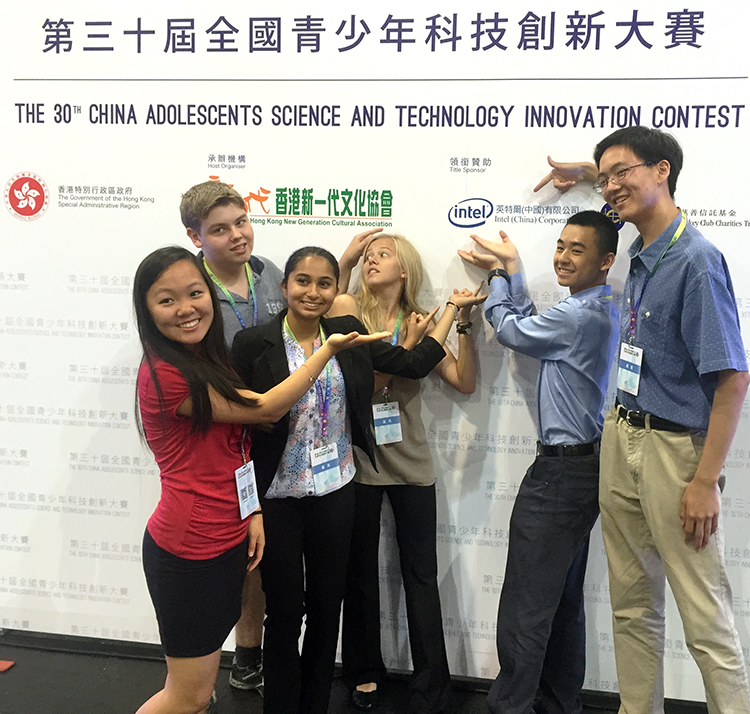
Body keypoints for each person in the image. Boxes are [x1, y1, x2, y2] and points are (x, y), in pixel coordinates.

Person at [536, 126, 750, 714]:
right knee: (632, 606)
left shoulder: (696, 260)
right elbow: (617, 185)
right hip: (621, 434)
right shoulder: (639, 248)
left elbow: (733, 379)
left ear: (662, 171)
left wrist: (704, 482)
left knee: (705, 616)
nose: (610, 186)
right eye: (604, 178)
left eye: (621, 172)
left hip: (676, 453)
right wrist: (591, 173)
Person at [231, 246, 485, 714]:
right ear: (284, 286)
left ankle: (314, 705)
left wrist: (451, 310)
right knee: (285, 612)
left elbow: (409, 365)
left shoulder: (346, 333)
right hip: (279, 496)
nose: (313, 292)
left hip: (337, 490)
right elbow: (238, 432)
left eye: (325, 283)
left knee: (328, 609)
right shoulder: (253, 344)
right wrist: (249, 506)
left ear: (335, 290)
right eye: (302, 281)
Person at [133, 246, 386, 714]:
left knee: (198, 690)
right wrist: (326, 351)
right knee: (191, 690)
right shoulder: (178, 371)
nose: (187, 308)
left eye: (194, 294)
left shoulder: (204, 360)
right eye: (167, 300)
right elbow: (265, 409)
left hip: (257, 517)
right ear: (284, 284)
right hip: (201, 538)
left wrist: (248, 510)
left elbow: (236, 444)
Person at [179, 180, 383, 693]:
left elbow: (312, 299)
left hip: (323, 476)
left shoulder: (275, 276)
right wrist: (253, 413)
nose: (237, 235)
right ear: (196, 237)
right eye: (220, 229)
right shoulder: (209, 304)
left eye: (241, 221)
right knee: (278, 598)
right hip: (256, 468)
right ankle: (260, 675)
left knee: (315, 602)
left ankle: (295, 688)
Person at [459, 211, 619, 714]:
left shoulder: (578, 314)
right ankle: (556, 704)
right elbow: (532, 327)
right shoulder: (596, 307)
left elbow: (511, 331)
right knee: (562, 602)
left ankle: (509, 707)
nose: (564, 257)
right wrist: (515, 272)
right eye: (561, 245)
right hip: (584, 468)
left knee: (526, 606)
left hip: (560, 474)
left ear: (605, 261)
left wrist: (504, 277)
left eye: (578, 250)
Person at [330, 233, 480, 713]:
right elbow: (367, 384)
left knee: (420, 574)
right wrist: (411, 349)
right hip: (361, 461)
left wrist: (463, 325)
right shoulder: (351, 313)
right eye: (367, 256)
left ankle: (432, 683)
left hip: (412, 461)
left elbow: (463, 381)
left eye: (384, 255)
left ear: (405, 268)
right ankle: (363, 672)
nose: (373, 261)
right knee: (360, 574)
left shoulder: (424, 318)